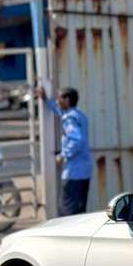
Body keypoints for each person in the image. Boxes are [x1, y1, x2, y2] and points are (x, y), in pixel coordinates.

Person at [37, 86, 91, 216]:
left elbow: (76, 140)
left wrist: (62, 155)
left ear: (67, 100)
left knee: (69, 213)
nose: (57, 100)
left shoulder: (70, 119)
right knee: (79, 211)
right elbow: (58, 110)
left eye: (59, 98)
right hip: (84, 172)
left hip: (74, 173)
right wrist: (45, 100)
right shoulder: (78, 115)